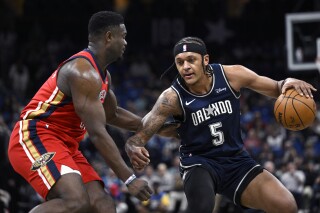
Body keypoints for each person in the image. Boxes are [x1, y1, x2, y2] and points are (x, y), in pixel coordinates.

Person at [7, 11, 176, 213]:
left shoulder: (103, 76)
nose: (126, 42)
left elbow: (112, 115)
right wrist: (129, 178)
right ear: (108, 37)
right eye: (123, 36)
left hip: (66, 144)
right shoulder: (82, 72)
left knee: (103, 205)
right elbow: (97, 133)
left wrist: (158, 127)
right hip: (35, 136)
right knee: (75, 202)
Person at [125, 36, 317, 213]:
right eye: (180, 62)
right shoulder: (171, 97)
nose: (185, 66)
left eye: (191, 59)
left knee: (286, 205)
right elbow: (141, 133)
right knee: (202, 207)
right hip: (199, 162)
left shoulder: (231, 75)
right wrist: (133, 145)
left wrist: (286, 82)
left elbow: (276, 87)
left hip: (235, 159)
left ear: (205, 60)